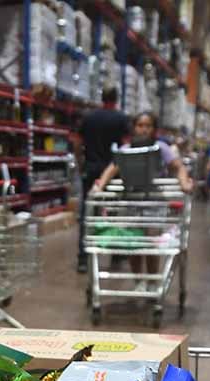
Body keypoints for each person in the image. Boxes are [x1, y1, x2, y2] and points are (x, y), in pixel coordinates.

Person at [91, 112, 194, 291]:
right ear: (134, 127)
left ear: (154, 129)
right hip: (131, 203)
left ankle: (152, 282)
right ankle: (139, 281)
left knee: (151, 244)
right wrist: (100, 186)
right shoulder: (125, 149)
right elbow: (111, 169)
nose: (144, 129)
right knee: (135, 244)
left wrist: (184, 182)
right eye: (140, 125)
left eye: (148, 125)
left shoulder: (161, 148)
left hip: (154, 203)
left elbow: (178, 167)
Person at [76, 87, 130, 272]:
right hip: (113, 171)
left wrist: (80, 162)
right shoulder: (121, 119)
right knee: (114, 210)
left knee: (88, 212)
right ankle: (115, 253)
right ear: (116, 98)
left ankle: (83, 258)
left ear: (102, 97)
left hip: (90, 170)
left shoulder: (89, 118)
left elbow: (77, 141)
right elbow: (126, 145)